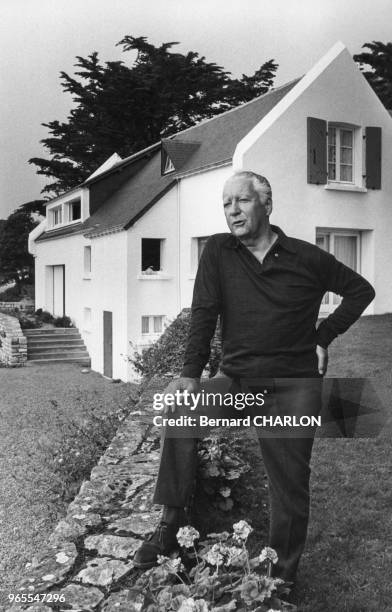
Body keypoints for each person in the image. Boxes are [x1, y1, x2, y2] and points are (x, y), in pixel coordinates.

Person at [133, 171, 375, 584]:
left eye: (241, 201)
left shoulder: (307, 258)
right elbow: (204, 312)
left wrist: (323, 336)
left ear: (266, 204)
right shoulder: (219, 252)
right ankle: (171, 526)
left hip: (292, 385)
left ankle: (279, 577)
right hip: (238, 380)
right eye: (226, 204)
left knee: (290, 484)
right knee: (181, 410)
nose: (232, 211)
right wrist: (191, 374)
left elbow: (361, 290)